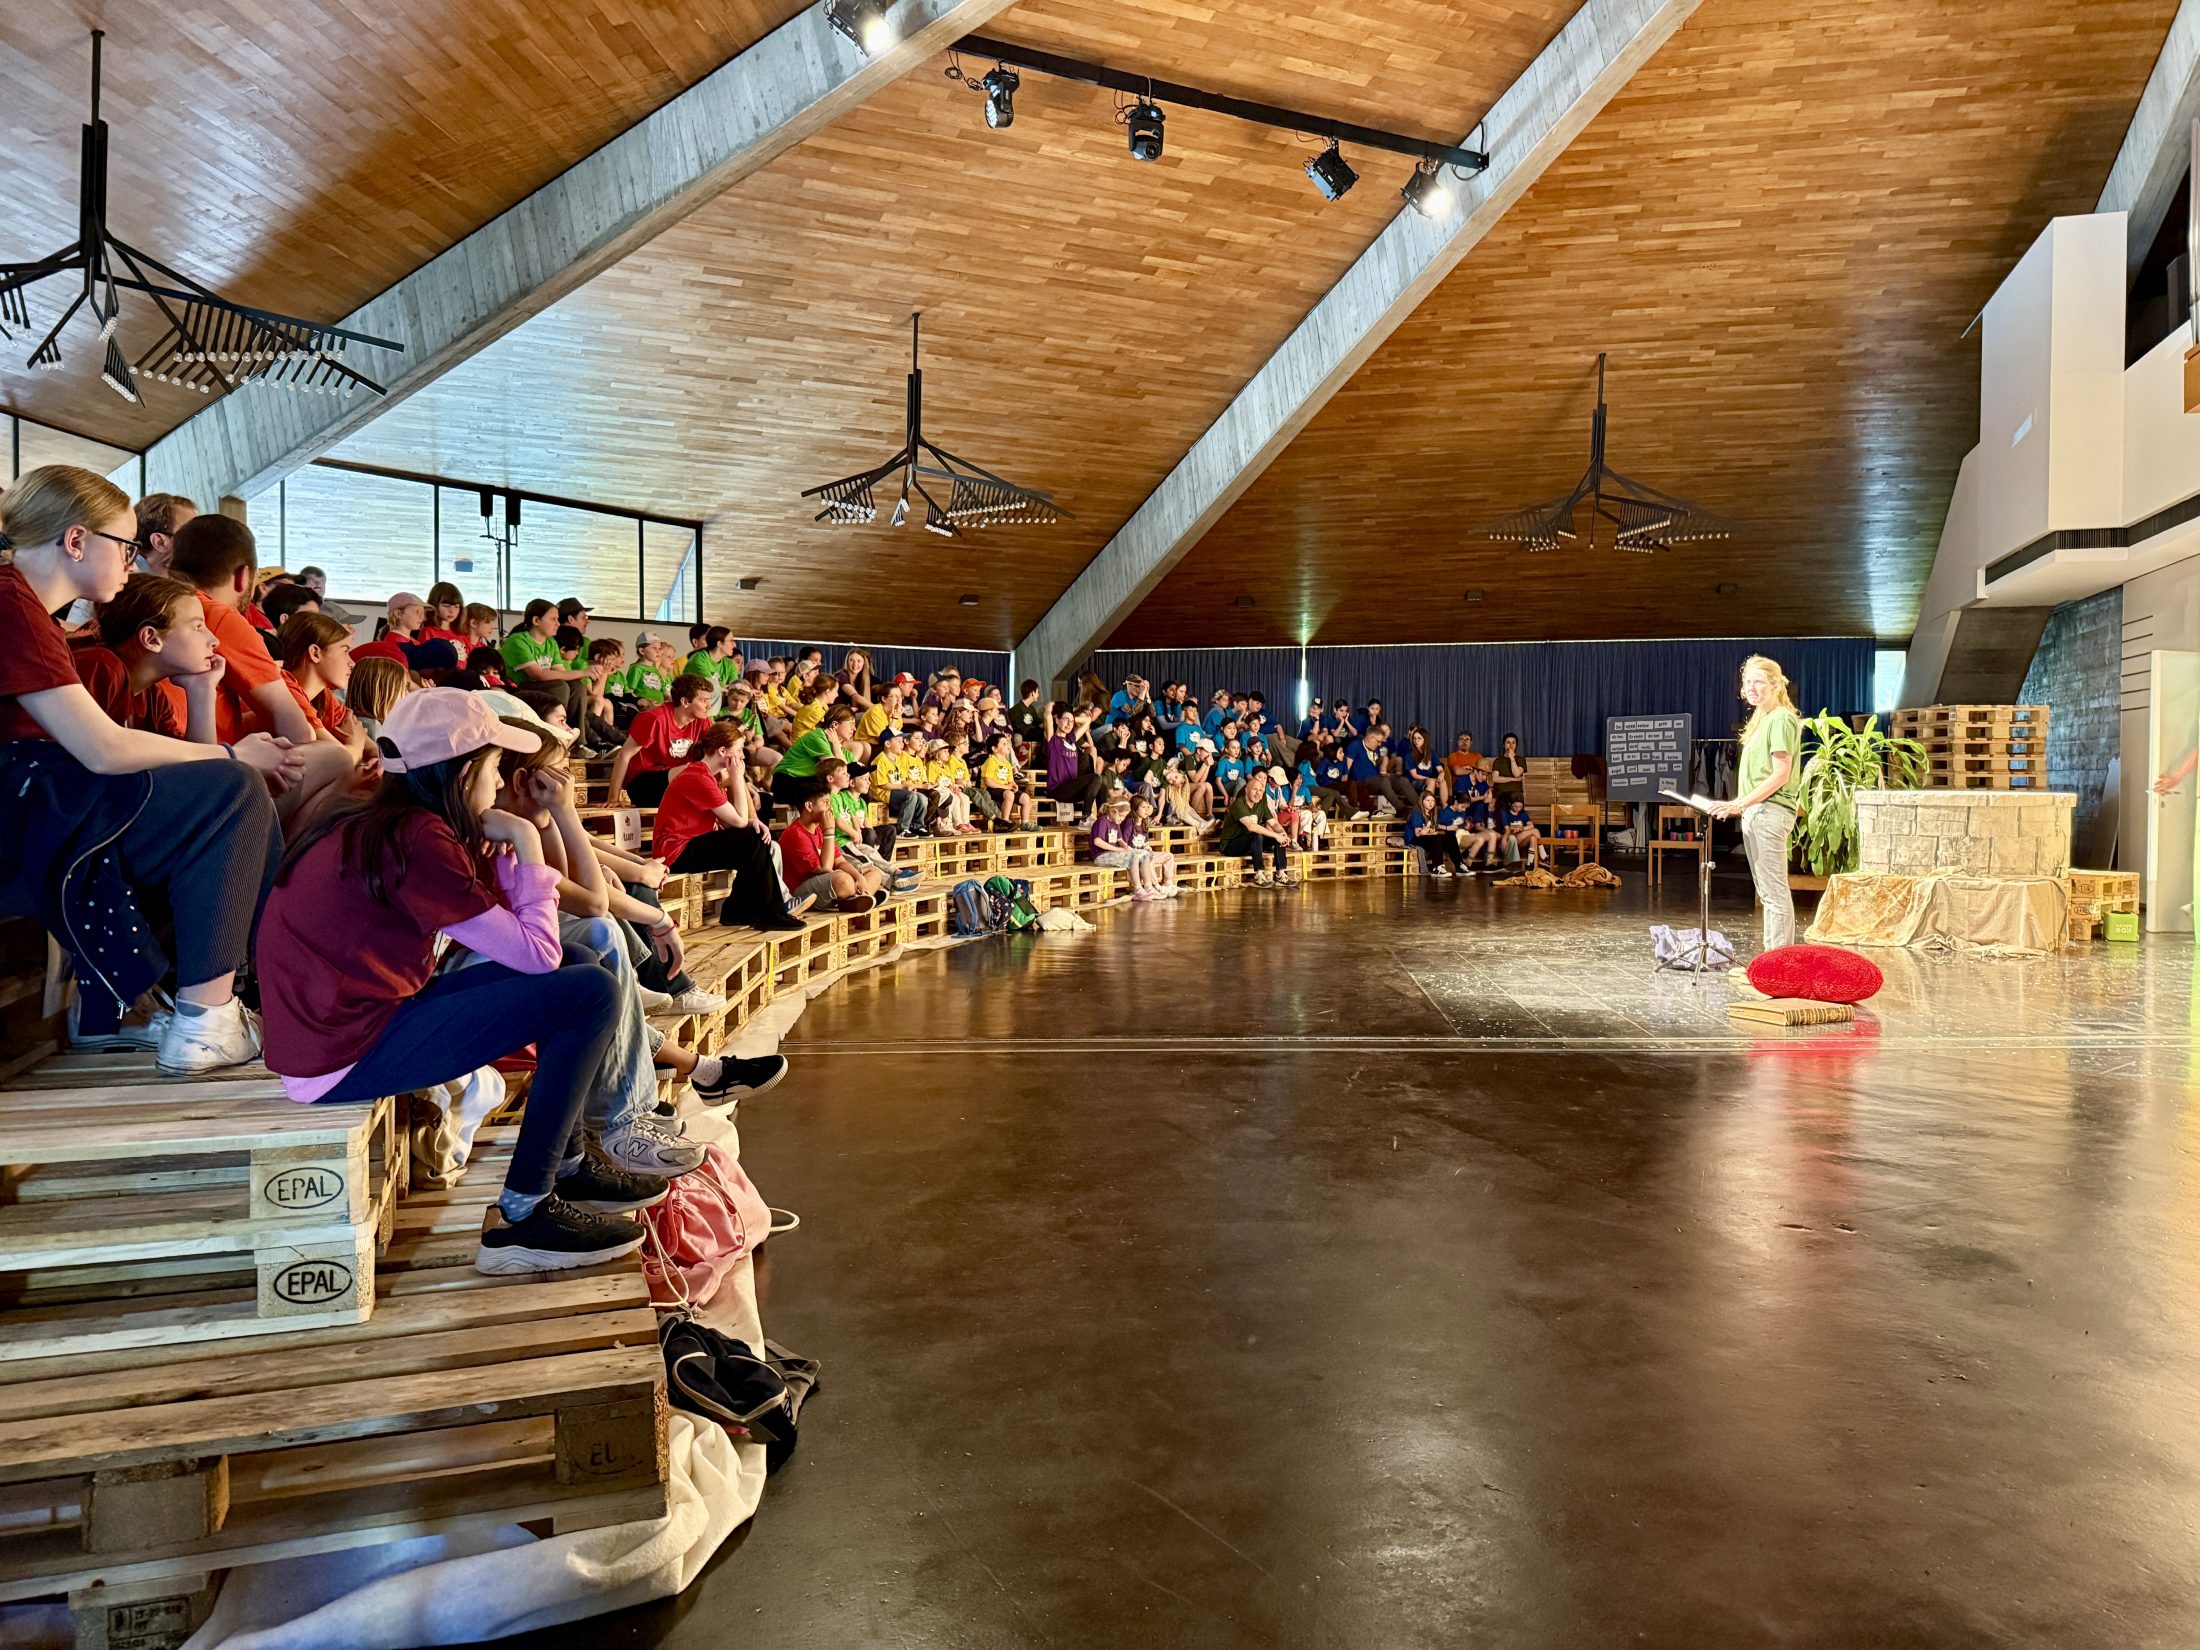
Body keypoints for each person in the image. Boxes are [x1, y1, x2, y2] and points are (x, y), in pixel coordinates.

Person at [257, 689, 654, 1274]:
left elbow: (545, 948)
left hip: (344, 1032)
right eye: (495, 769)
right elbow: (533, 956)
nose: (499, 786)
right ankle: (523, 1216)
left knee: (580, 961)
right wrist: (523, 844)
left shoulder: (384, 815)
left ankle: (565, 1163)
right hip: (342, 1055)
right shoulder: (418, 839)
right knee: (588, 990)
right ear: (467, 771)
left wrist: (499, 851)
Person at [0, 469, 299, 1067]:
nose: (133, 563)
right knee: (231, 787)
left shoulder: (26, 607)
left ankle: (198, 1001)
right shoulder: (13, 605)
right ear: (77, 541)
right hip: (22, 805)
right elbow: (103, 749)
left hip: (34, 797)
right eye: (126, 546)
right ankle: (209, 1012)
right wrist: (232, 754)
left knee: (226, 792)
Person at [650, 723, 808, 930]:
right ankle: (770, 912)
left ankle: (739, 911)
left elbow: (733, 820)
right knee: (751, 838)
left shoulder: (708, 776)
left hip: (689, 845)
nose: (742, 756)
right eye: (739, 749)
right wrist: (736, 777)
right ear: (722, 751)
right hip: (675, 852)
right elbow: (739, 821)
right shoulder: (697, 776)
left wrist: (753, 822)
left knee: (753, 837)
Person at [1709, 654, 1804, 950]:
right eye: (1748, 682)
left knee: (1774, 893)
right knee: (1766, 893)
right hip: (1756, 812)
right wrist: (1741, 805)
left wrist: (1738, 804)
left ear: (1776, 685)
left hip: (1770, 812)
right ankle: (1771, 961)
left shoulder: (1781, 719)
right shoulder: (1760, 720)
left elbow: (1780, 775)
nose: (1752, 688)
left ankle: (1780, 964)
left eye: (1759, 682)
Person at [608, 673, 712, 808]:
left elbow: (721, 746)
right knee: (694, 770)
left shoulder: (702, 721)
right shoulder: (654, 718)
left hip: (675, 779)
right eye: (704, 700)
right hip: (642, 784)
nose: (708, 706)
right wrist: (613, 799)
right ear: (685, 702)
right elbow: (624, 755)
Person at [501, 598, 595, 745]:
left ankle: (578, 743)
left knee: (577, 686)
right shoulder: (518, 640)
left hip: (542, 687)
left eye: (557, 619)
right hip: (518, 688)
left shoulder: (550, 642)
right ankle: (556, 737)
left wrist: (581, 676)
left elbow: (562, 673)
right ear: (536, 620)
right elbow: (538, 674)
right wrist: (584, 672)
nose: (558, 623)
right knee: (560, 686)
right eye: (553, 619)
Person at [779, 789, 883, 914]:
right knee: (844, 881)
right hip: (799, 892)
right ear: (809, 806)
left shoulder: (819, 828)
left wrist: (859, 877)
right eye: (826, 802)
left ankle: (855, 899)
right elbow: (825, 868)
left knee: (874, 873)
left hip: (827, 881)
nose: (830, 807)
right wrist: (829, 831)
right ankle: (857, 898)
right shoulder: (796, 834)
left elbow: (840, 861)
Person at [1219, 766, 1292, 887]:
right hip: (1231, 845)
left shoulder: (1261, 803)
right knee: (1257, 835)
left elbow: (1273, 823)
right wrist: (1276, 835)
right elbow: (1251, 827)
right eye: (1254, 790)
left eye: (1261, 791)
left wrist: (1282, 833)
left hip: (1250, 843)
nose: (1258, 793)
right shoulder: (1239, 803)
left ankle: (1281, 874)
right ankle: (1259, 875)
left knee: (1279, 836)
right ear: (1247, 790)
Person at [1409, 788, 1465, 876]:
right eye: (1427, 800)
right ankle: (1437, 867)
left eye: (1432, 800)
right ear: (1422, 801)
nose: (1431, 803)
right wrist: (1430, 832)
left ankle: (1459, 865)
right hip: (1414, 839)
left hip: (1427, 837)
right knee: (1436, 838)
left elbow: (1433, 830)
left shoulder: (1432, 814)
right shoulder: (1417, 813)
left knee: (1450, 836)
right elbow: (1418, 833)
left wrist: (1431, 832)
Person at [1489, 734, 1528, 808]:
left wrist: (1512, 758)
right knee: (1502, 803)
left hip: (1516, 794)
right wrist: (1513, 779)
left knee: (1516, 800)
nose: (1511, 745)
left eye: (1513, 743)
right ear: (1504, 745)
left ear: (1516, 745)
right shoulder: (1498, 761)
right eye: (1508, 742)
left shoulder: (1521, 760)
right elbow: (1495, 779)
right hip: (1501, 794)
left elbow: (1516, 773)